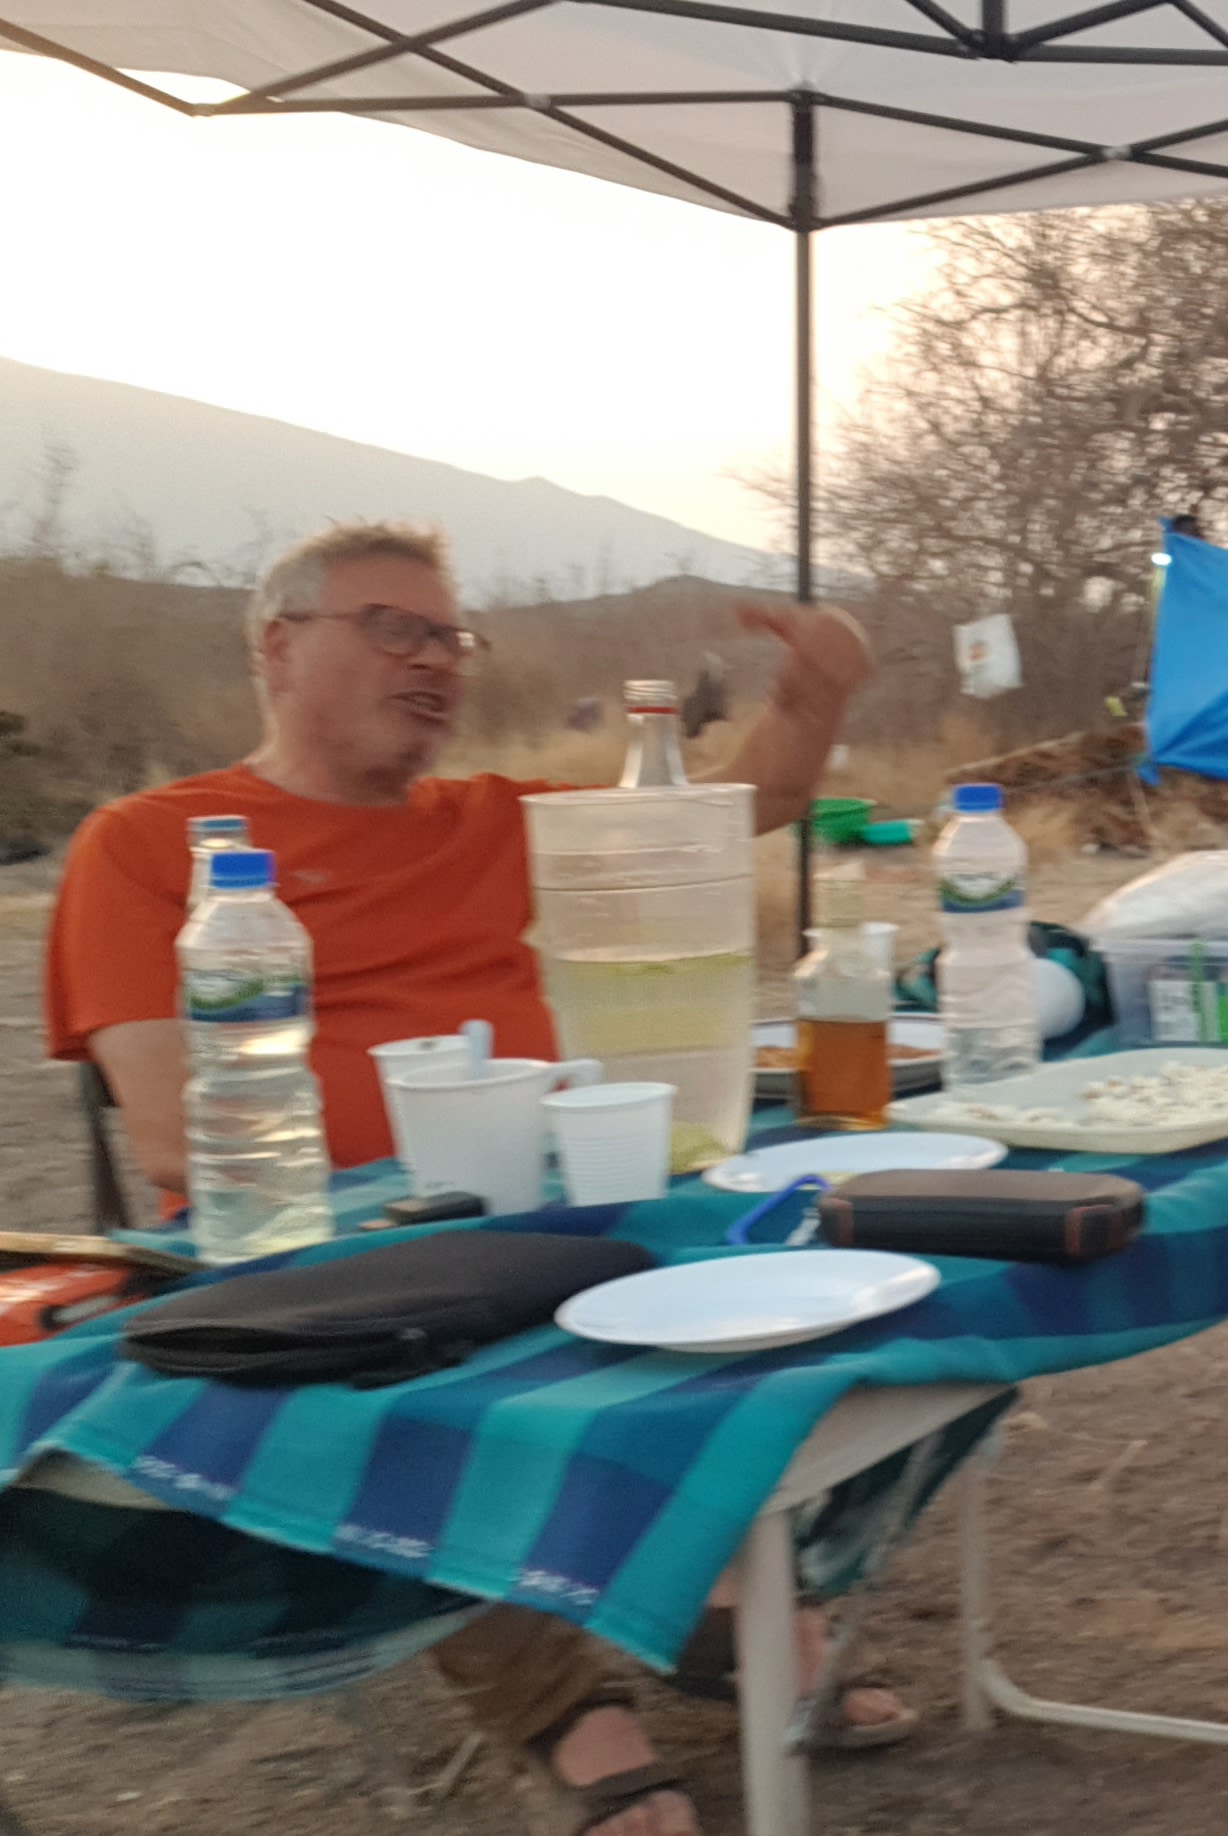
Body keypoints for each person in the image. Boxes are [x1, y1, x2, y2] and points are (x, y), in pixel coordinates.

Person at [40, 521, 894, 1836]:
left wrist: (818, 690)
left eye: (450, 637)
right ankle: (562, 1706)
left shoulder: (493, 821)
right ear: (278, 646)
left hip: (550, 1209)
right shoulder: (158, 844)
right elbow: (173, 1134)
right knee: (434, 1359)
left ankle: (721, 1578)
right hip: (314, 1249)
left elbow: (744, 802)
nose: (435, 661)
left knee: (808, 1245)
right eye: (395, 629)